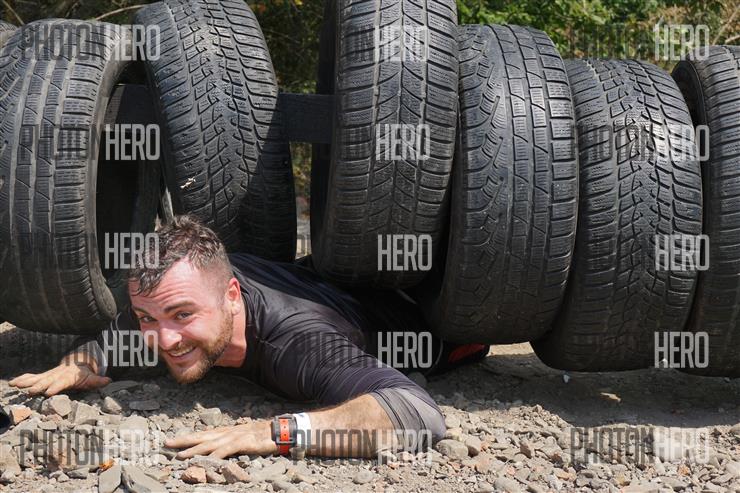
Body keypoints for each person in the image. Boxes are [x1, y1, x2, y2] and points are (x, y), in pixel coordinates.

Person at [9, 216, 487, 459]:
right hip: (323, 282)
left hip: (426, 323)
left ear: (231, 294)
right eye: (147, 318)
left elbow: (419, 415)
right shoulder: (179, 294)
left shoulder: (299, 345)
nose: (164, 339)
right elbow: (122, 334)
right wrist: (85, 361)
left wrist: (274, 433)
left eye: (182, 315)